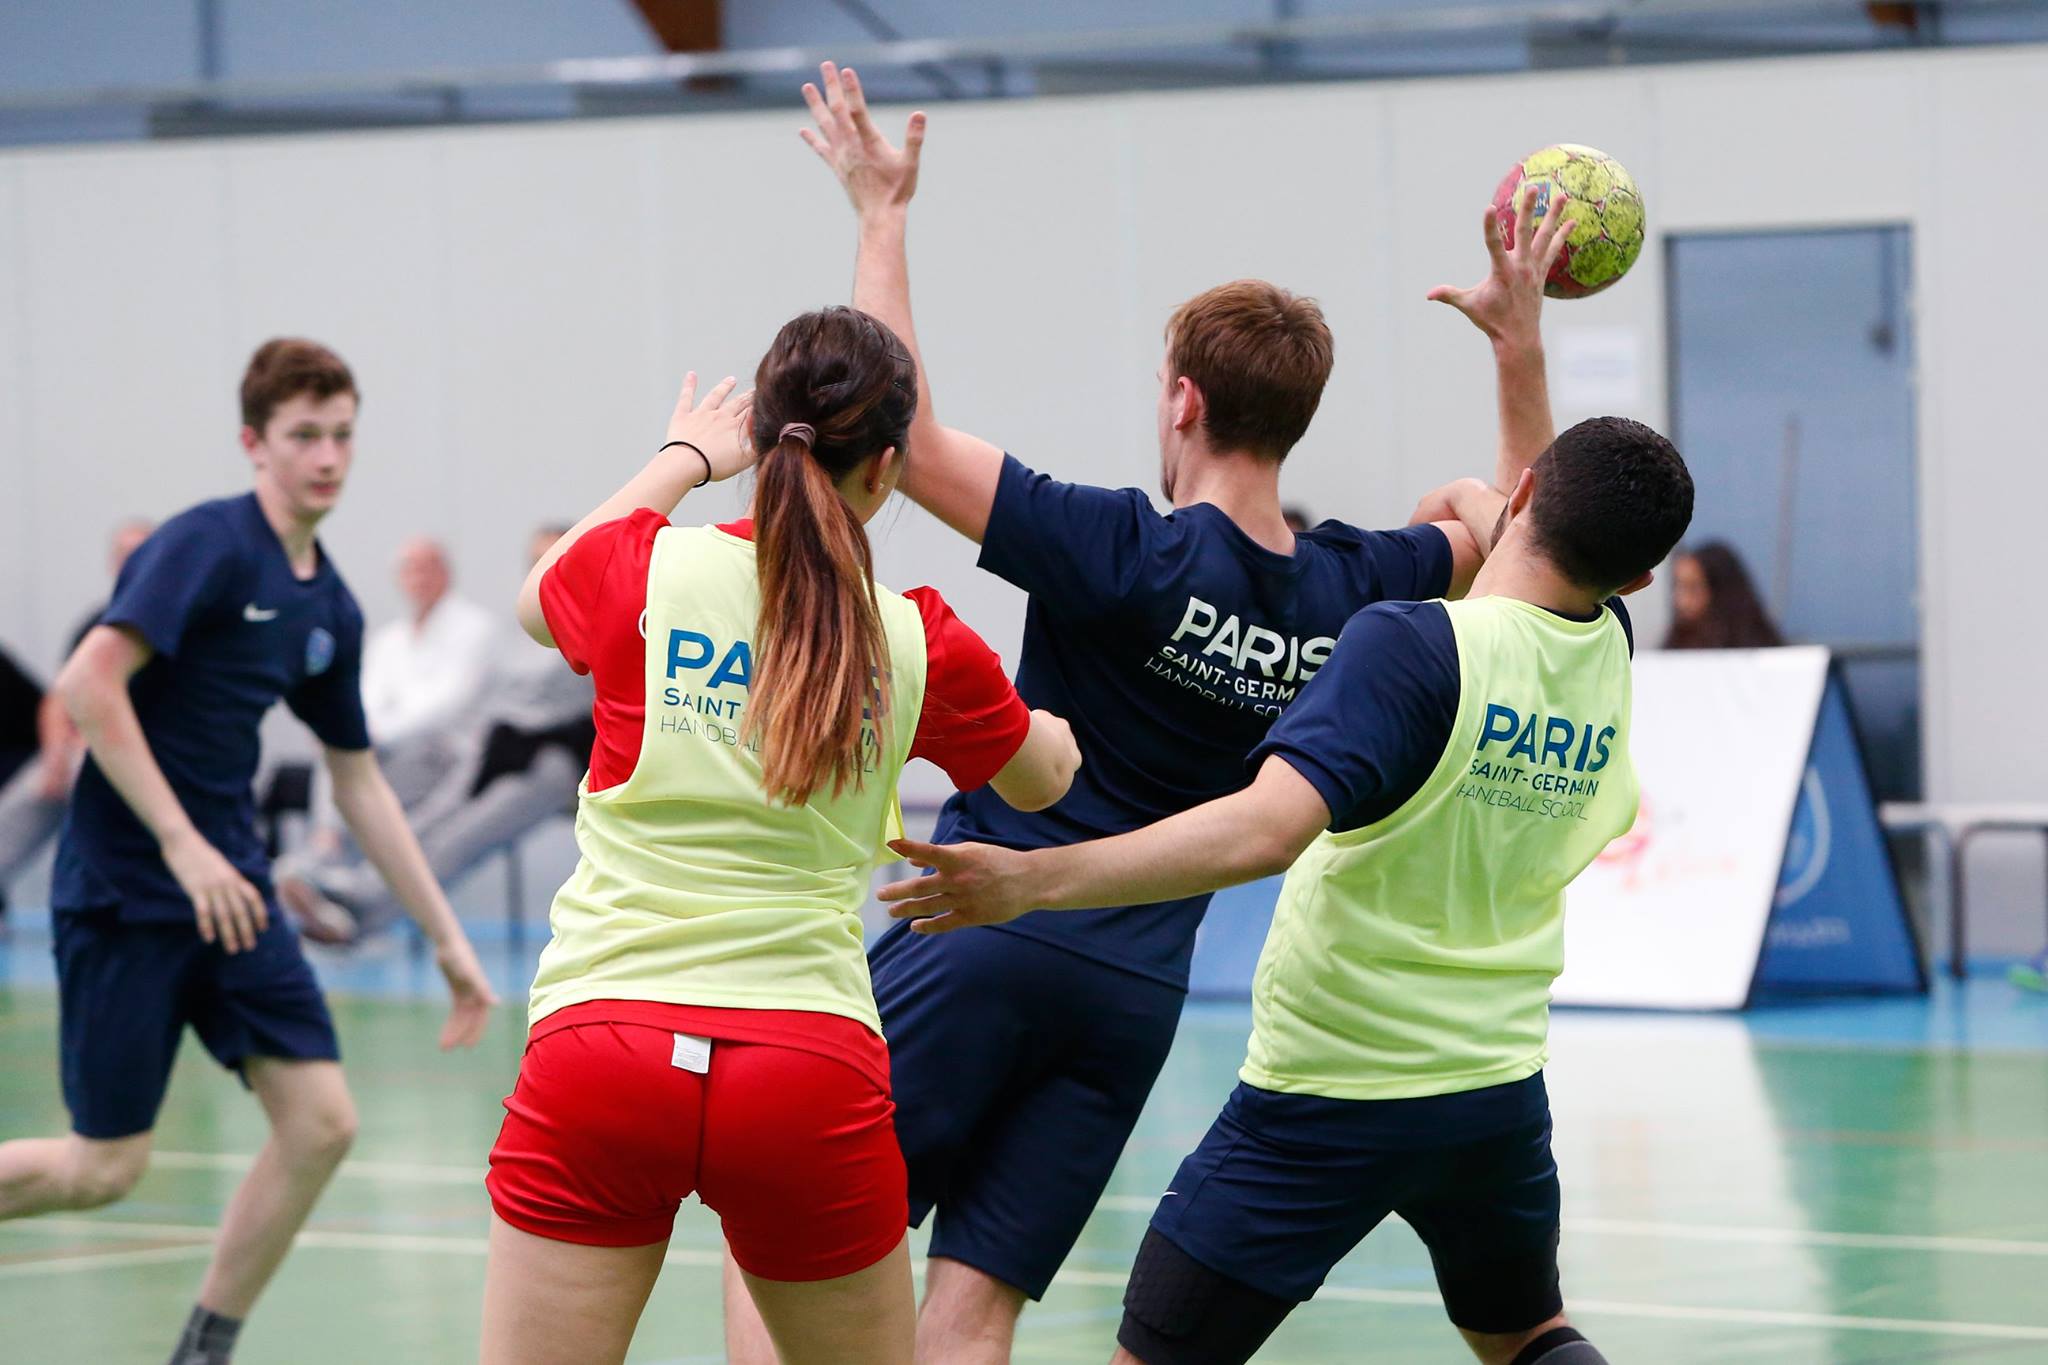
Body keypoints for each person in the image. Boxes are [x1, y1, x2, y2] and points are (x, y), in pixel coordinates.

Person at [726, 62, 1582, 1365]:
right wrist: (1505, 385)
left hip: (984, 925)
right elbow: (1528, 534)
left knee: (792, 1236)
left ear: (1181, 397)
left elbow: (895, 429)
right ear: (1295, 418)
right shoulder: (1355, 586)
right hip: (1133, 991)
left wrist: (881, 214)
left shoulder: (1115, 545)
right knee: (977, 1303)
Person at [881, 415, 1696, 1365]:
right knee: (1527, 1335)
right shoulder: (1606, 648)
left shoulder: (1410, 647)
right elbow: (1545, 522)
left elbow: (1264, 830)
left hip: (1330, 1091)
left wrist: (1035, 880)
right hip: (1492, 1091)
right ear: (1637, 579)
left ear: (1524, 498)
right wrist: (1515, 357)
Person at [478, 310, 1082, 1365]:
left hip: (603, 1048)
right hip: (803, 1068)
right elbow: (1039, 785)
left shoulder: (641, 572)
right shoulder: (916, 635)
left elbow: (538, 599)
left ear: (759, 435)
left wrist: (679, 459)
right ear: (886, 470)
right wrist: (1059, 730)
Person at [0, 338, 497, 1365]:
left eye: (341, 435)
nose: (326, 456)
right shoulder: (207, 546)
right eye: (303, 436)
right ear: (254, 444)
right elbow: (89, 685)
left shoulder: (331, 606)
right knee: (104, 1169)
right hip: (131, 893)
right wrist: (179, 845)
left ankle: (203, 1347)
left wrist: (445, 936)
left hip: (231, 896)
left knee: (321, 1124)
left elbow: (356, 780)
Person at [279, 525, 595, 942]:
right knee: (428, 812)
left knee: (463, 832)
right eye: (538, 559)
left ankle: (362, 913)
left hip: (560, 764)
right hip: (496, 746)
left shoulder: (603, 619)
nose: (547, 567)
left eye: (557, 555)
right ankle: (334, 877)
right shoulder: (528, 622)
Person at [0, 520, 154, 917]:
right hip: (83, 756)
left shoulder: (178, 622)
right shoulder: (97, 624)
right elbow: (59, 699)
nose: (132, 564)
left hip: (147, 764)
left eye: (142, 553)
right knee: (24, 804)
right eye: (124, 555)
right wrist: (55, 756)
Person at [1663, 540, 1783, 649]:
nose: (1681, 601)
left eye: (1693, 588)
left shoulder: (1765, 656)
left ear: (1719, 591)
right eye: (1677, 587)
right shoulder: (1674, 649)